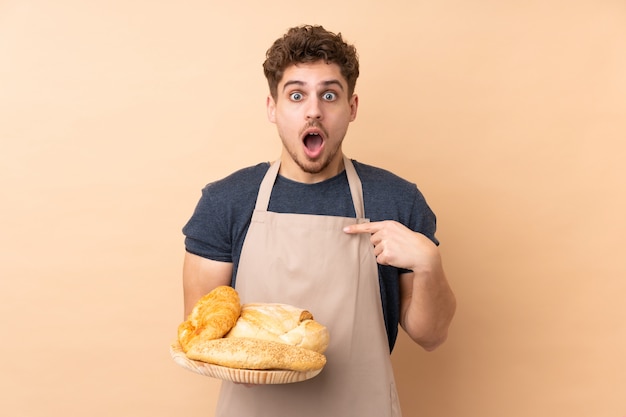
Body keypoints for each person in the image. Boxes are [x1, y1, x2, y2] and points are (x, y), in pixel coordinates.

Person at [181, 24, 456, 417]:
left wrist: (429, 263)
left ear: (352, 107)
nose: (314, 110)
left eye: (329, 94)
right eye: (296, 95)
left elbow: (432, 335)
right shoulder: (226, 201)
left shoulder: (396, 199)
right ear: (273, 108)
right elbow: (203, 337)